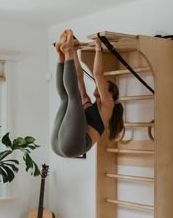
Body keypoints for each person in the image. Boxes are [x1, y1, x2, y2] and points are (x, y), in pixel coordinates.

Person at [51, 29, 124, 158]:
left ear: (110, 93)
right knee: (66, 98)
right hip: (58, 145)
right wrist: (74, 53)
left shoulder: (107, 105)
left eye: (102, 86)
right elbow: (79, 77)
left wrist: (98, 48)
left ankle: (66, 52)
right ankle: (61, 55)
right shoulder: (87, 102)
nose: (98, 85)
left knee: (73, 98)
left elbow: (98, 74)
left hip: (73, 145)